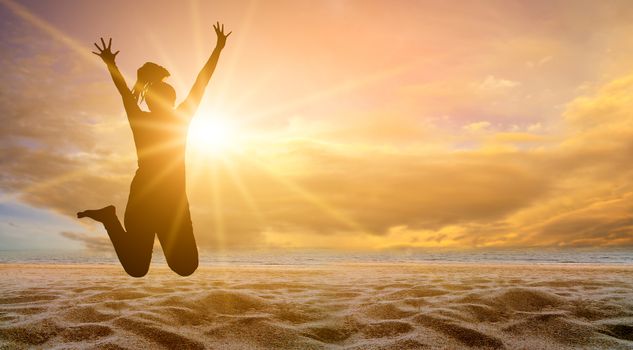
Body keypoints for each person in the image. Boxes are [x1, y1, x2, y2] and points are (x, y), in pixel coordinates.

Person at [77, 22, 231, 277]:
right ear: (163, 100)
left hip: (171, 203)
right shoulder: (164, 119)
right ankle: (109, 218)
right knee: (139, 268)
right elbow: (199, 84)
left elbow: (200, 83)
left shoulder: (170, 118)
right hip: (146, 201)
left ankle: (109, 219)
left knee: (186, 266)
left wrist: (218, 49)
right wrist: (218, 48)